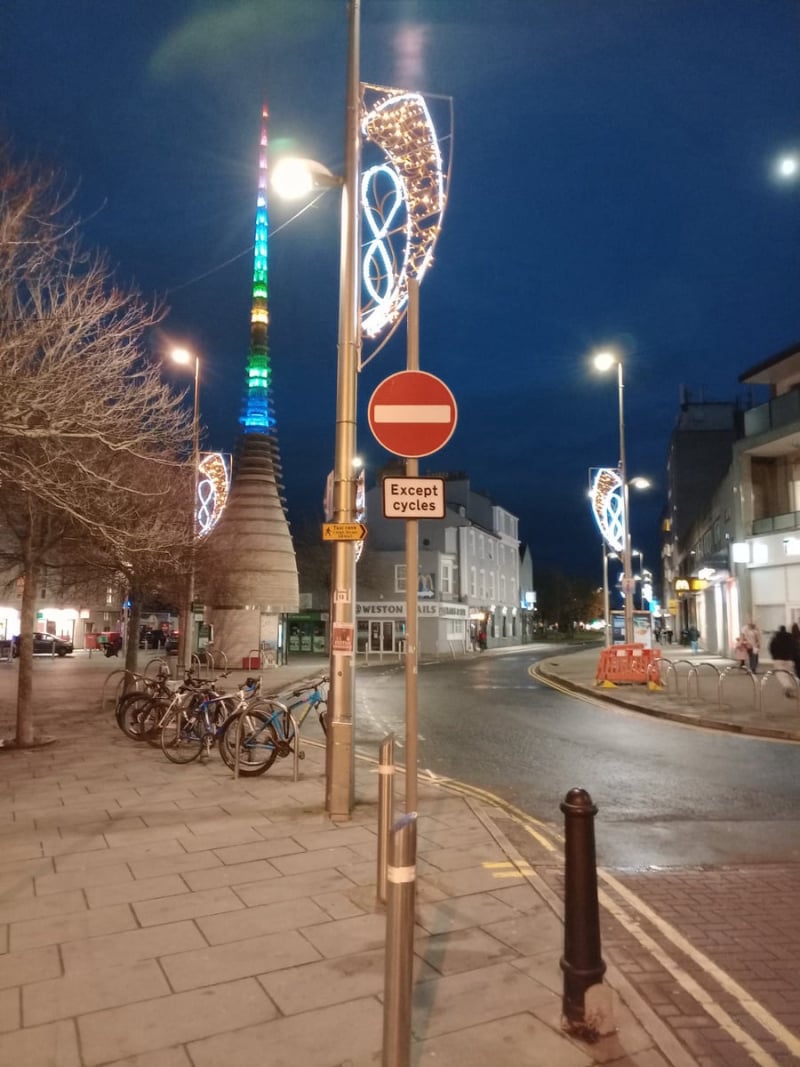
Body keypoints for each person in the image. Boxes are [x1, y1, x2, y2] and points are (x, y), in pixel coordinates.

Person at [769, 625, 796, 697]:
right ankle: (788, 687)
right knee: (787, 674)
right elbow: (794, 647)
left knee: (780, 674)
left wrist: (774, 656)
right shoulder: (791, 638)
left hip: (778, 659)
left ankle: (787, 686)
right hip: (789, 659)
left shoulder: (776, 638)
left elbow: (771, 647)